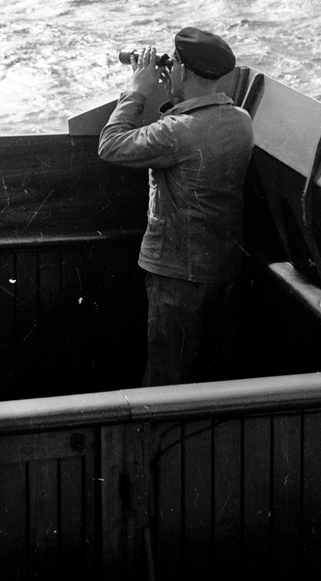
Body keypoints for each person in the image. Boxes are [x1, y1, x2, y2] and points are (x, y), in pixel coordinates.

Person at [98, 28, 254, 386]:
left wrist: (138, 90)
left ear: (181, 69)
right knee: (213, 379)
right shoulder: (241, 121)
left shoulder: (176, 132)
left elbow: (110, 145)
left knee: (164, 381)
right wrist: (176, 92)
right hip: (223, 271)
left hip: (177, 277)